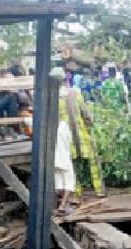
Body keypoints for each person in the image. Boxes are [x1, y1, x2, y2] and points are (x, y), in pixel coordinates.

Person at [50, 67, 77, 213]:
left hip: (51, 130)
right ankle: (63, 205)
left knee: (56, 168)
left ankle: (58, 203)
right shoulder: (68, 94)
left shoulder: (47, 95)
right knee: (67, 169)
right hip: (63, 129)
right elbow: (73, 116)